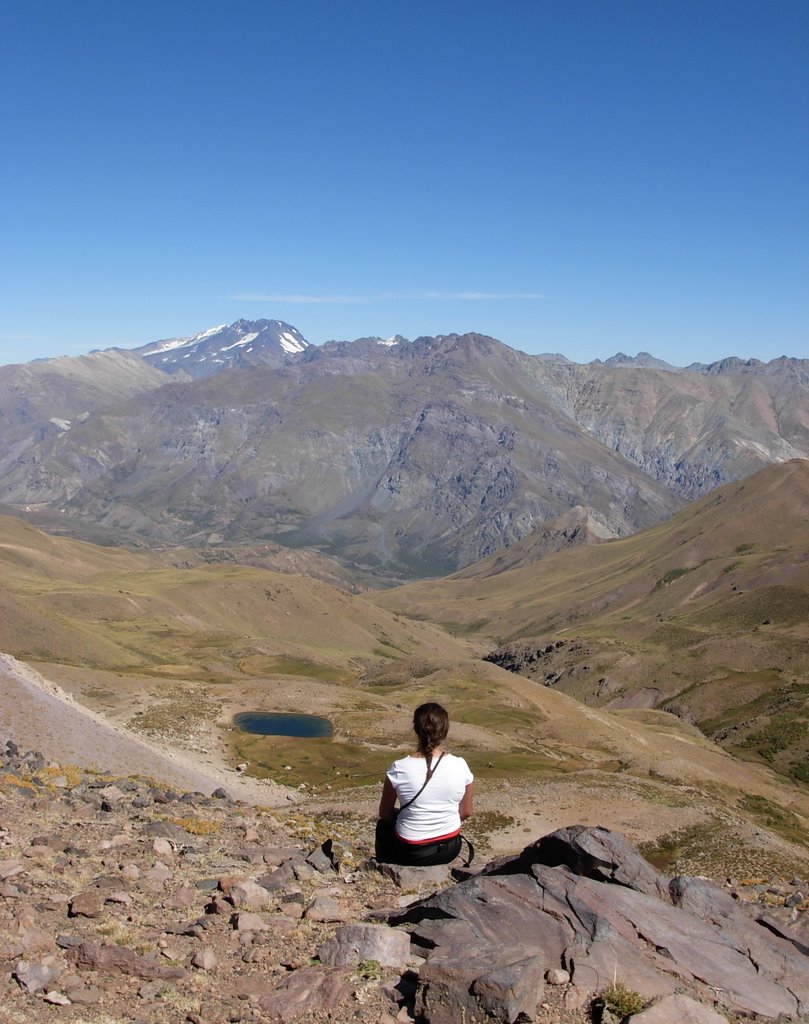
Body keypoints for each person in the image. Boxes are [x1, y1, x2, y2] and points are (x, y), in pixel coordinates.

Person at [375, 702, 473, 866]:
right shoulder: (461, 765)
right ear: (445, 731)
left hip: (412, 851)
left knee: (383, 826)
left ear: (416, 729)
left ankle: (383, 866)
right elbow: (467, 811)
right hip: (449, 849)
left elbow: (385, 814)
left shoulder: (399, 768)